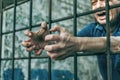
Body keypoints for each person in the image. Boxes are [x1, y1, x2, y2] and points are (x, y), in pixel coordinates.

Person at [22, 0, 120, 80]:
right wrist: (49, 41)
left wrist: (79, 44)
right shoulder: (93, 29)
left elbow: (117, 43)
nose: (98, 6)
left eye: (104, 0)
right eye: (93, 3)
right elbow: (69, 43)